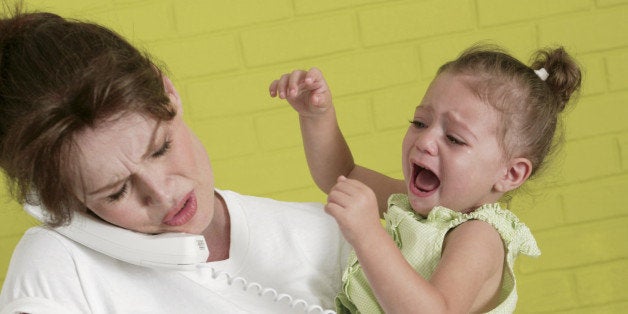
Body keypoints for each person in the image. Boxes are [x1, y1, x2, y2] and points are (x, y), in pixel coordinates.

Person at [0, 9, 350, 313]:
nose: (162, 194)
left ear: (168, 93)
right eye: (116, 191)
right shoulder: (58, 268)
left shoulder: (325, 234)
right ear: (58, 202)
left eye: (160, 149)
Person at [269, 45, 581, 313]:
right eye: (420, 122)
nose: (425, 141)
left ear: (510, 174)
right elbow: (342, 175)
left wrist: (367, 234)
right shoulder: (418, 207)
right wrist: (316, 118)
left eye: (455, 139)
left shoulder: (478, 237)